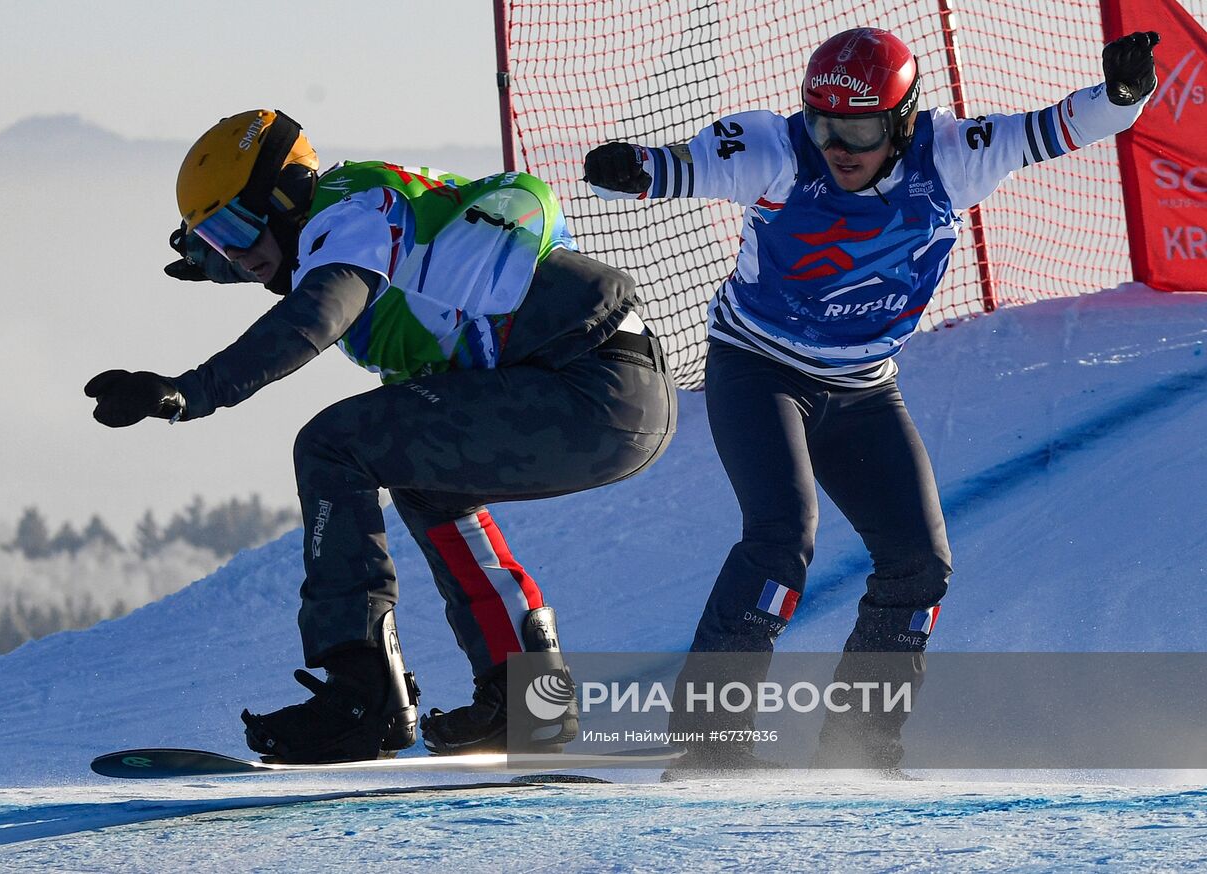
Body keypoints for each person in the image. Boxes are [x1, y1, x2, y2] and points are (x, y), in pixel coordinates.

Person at [584, 28, 1159, 770]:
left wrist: (1124, 94)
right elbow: (680, 168)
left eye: (859, 127)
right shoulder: (774, 148)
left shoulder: (955, 155)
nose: (839, 146)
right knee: (780, 541)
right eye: (824, 123)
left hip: (862, 388)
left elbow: (1070, 125)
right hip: (760, 371)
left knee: (920, 564)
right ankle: (707, 745)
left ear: (905, 118)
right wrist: (636, 170)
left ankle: (862, 748)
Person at [85, 110, 677, 764]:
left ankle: (360, 700)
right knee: (427, 484)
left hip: (588, 386)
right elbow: (286, 261)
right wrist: (216, 258)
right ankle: (526, 702)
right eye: (215, 240)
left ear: (284, 197)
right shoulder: (347, 214)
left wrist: (192, 390)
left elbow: (317, 313)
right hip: (616, 388)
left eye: (233, 229)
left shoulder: (349, 218)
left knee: (334, 444)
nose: (238, 255)